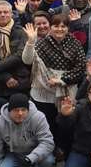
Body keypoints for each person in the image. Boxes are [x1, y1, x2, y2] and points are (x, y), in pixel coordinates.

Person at [21, 16, 86, 156]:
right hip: (43, 92)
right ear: (51, 27)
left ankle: (65, 151)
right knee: (47, 124)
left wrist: (62, 79)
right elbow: (27, 60)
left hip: (66, 91)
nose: (59, 29)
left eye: (63, 26)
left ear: (68, 28)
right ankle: (47, 153)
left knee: (65, 124)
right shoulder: (41, 43)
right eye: (56, 26)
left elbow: (81, 69)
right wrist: (31, 41)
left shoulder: (75, 43)